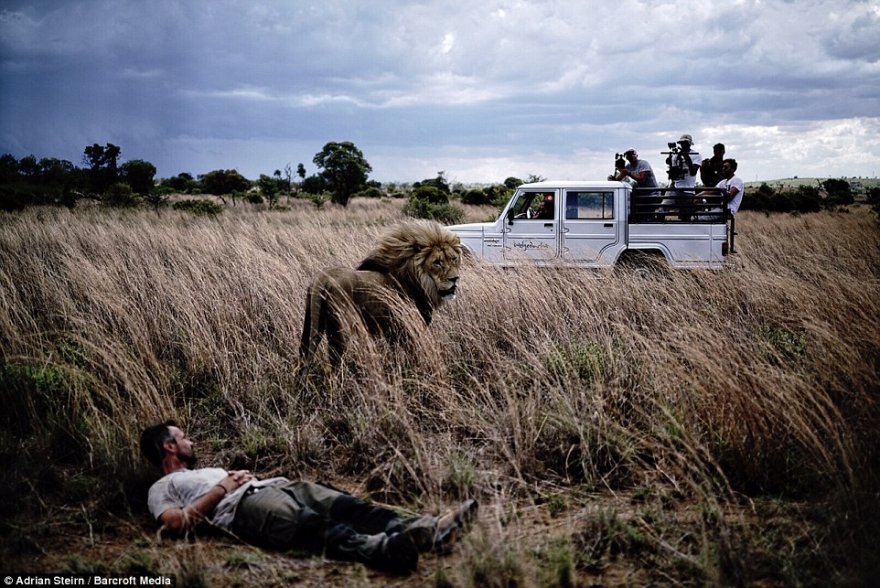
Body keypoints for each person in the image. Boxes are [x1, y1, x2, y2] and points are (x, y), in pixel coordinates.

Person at [140, 420, 478, 576]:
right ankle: (382, 550)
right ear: (169, 446)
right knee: (313, 526)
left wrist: (244, 479)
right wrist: (223, 489)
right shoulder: (162, 487)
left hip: (274, 486)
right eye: (183, 437)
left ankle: (427, 530)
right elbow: (174, 523)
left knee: (349, 505)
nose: (191, 442)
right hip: (244, 508)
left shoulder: (203, 469)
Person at [659, 134, 703, 218]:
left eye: (685, 143)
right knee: (663, 208)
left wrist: (687, 158)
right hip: (675, 186)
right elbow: (671, 167)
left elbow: (693, 172)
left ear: (689, 144)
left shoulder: (696, 155)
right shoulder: (676, 154)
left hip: (688, 189)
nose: (683, 145)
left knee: (685, 215)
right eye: (682, 143)